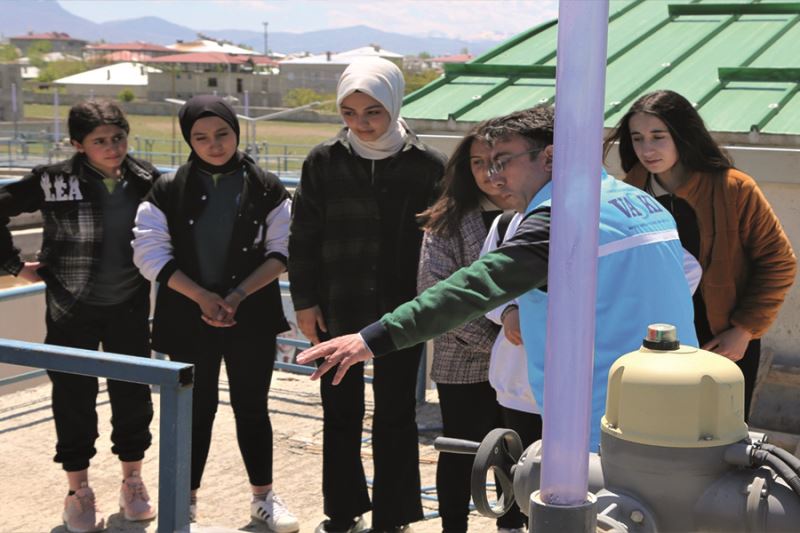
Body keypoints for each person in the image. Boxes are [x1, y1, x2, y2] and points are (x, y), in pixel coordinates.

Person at [295, 105, 698, 453]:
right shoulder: (638, 202)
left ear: (551, 158)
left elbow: (474, 287)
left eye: (504, 160)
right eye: (488, 164)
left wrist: (371, 339)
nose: (494, 176)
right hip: (677, 400)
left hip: (603, 421)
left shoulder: (565, 219)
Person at [288, 57, 445, 533]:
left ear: (395, 104)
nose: (361, 123)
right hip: (337, 301)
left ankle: (392, 516)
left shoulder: (427, 166)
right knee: (339, 411)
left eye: (373, 111)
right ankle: (342, 509)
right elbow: (303, 236)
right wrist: (305, 302)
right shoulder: (323, 161)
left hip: (402, 310)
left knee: (396, 411)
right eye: (350, 112)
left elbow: (437, 241)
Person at [131, 95, 298, 532]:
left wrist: (238, 295)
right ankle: (184, 502)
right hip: (187, 320)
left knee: (252, 408)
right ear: (188, 139)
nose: (214, 144)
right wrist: (201, 297)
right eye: (201, 137)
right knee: (194, 411)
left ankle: (263, 499)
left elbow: (282, 250)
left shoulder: (266, 185)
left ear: (236, 130)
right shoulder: (166, 189)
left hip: (252, 318)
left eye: (222, 133)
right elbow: (149, 253)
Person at [0, 100, 159, 533]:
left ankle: (133, 481)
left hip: (128, 306)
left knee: (133, 397)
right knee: (73, 399)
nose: (113, 148)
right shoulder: (54, 181)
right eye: (100, 142)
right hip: (71, 308)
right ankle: (78, 491)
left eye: (119, 137)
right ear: (77, 144)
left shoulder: (147, 179)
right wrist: (14, 265)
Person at [604, 89, 797, 420]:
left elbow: (778, 263)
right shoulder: (623, 193)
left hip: (722, 343)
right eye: (637, 138)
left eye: (657, 136)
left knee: (715, 441)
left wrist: (745, 330)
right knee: (651, 434)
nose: (646, 149)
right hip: (645, 344)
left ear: (683, 134)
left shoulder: (734, 188)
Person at [416, 128, 527, 533]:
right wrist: (497, 338)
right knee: (461, 448)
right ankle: (452, 525)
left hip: (519, 358)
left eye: (496, 162)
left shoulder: (533, 213)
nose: (487, 173)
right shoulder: (446, 221)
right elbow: (436, 290)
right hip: (463, 357)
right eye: (477, 163)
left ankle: (512, 522)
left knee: (514, 449)